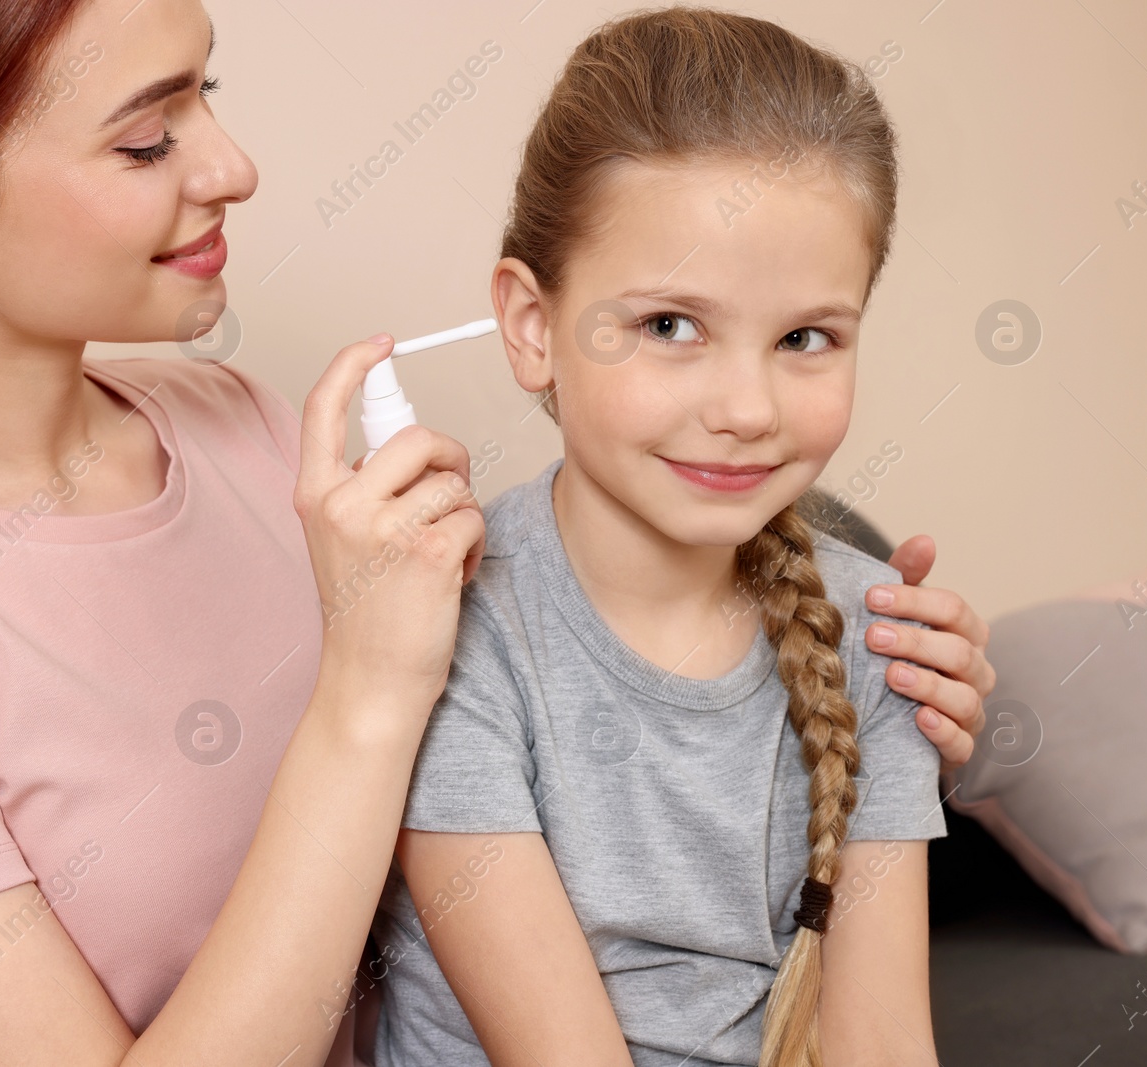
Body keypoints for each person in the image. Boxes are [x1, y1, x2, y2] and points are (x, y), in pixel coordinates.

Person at [0, 0, 992, 1064]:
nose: (234, 166)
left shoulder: (246, 431)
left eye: (206, 93)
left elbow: (602, 677)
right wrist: (367, 690)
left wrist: (883, 690)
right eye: (147, 135)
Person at [375, 8, 952, 1066]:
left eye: (804, 337)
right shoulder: (454, 623)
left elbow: (881, 1041)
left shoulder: (875, 637)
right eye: (669, 326)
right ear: (533, 325)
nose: (746, 405)